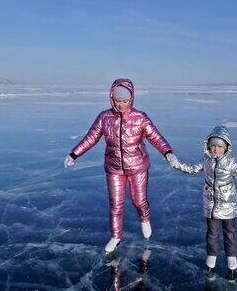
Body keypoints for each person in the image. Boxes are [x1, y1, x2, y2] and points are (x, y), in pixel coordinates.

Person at [64, 78, 179, 255]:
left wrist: (167, 152)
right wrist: (74, 154)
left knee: (138, 201)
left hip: (138, 166)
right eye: (118, 101)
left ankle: (145, 219)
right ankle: (116, 236)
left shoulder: (140, 118)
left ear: (131, 99)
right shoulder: (104, 117)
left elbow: (156, 137)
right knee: (116, 205)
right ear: (112, 98)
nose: (121, 105)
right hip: (114, 167)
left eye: (125, 101)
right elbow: (91, 138)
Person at [171, 126, 237, 282]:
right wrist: (176, 164)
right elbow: (192, 169)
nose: (215, 149)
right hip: (211, 205)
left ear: (226, 147)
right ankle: (211, 265)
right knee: (212, 235)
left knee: (230, 235)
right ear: (208, 145)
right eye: (213, 145)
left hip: (228, 205)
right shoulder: (206, 160)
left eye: (219, 146)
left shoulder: (231, 163)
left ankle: (232, 267)